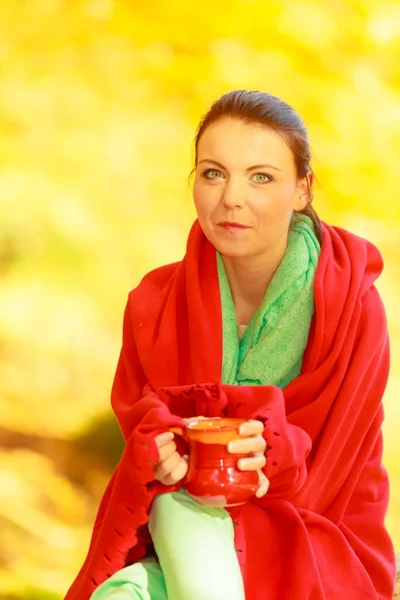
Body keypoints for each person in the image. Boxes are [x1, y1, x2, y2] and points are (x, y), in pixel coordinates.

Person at [64, 90, 396, 600]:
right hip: (181, 523)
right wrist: (160, 458)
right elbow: (141, 442)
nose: (231, 198)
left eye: (261, 176)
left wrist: (273, 454)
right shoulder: (152, 304)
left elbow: (331, 472)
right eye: (213, 173)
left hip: (318, 527)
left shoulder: (354, 308)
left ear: (303, 190)